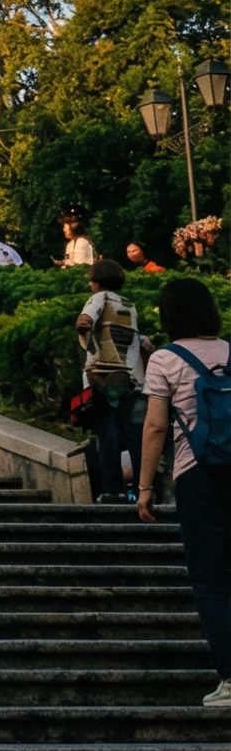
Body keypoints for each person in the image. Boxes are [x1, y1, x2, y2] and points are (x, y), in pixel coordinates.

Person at [139, 276, 231, 705]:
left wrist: (145, 487)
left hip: (197, 476)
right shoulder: (229, 351)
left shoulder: (165, 358)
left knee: (211, 580)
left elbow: (156, 426)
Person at [77, 258, 145, 503]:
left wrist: (82, 325)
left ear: (96, 281)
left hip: (102, 378)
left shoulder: (98, 298)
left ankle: (112, 490)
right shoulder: (129, 304)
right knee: (135, 438)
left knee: (107, 436)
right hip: (130, 379)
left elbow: (86, 320)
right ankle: (143, 487)